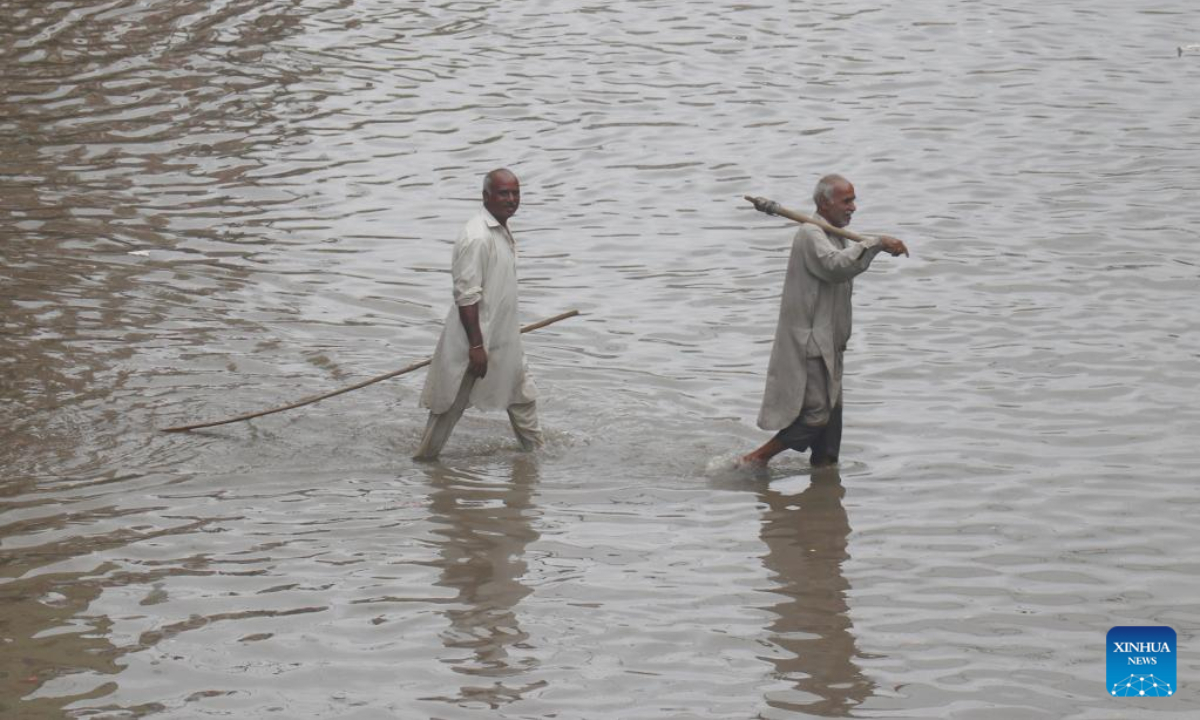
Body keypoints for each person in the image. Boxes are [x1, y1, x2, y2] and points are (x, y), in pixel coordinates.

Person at [741, 174, 908, 467]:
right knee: (817, 414)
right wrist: (878, 243)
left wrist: (875, 245)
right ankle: (755, 459)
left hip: (831, 342)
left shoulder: (835, 234)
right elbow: (836, 267)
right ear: (824, 203)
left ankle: (825, 485)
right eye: (846, 201)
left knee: (832, 420)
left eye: (854, 200)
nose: (853, 207)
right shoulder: (810, 234)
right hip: (812, 343)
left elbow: (846, 262)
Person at [414, 168, 543, 460]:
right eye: (503, 193)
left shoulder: (501, 230)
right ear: (486, 197)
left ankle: (537, 461)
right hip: (476, 343)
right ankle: (423, 462)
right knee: (448, 408)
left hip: (504, 338)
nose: (511, 199)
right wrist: (475, 347)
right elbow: (466, 296)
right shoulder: (477, 237)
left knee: (522, 397)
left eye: (515, 193)